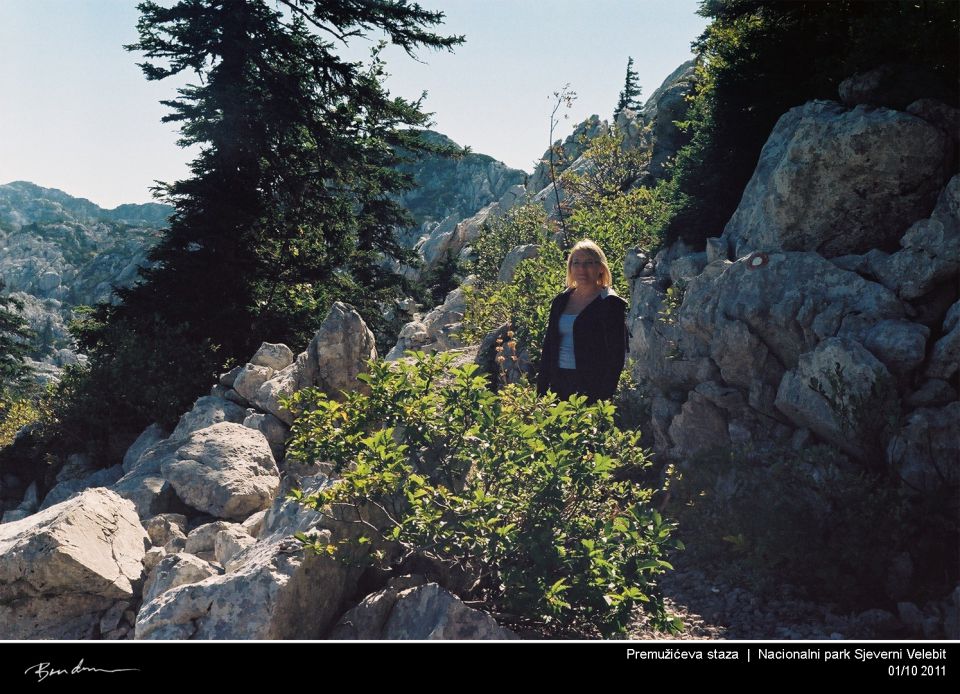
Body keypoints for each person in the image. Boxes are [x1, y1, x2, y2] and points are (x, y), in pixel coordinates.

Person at [536, 239, 627, 403]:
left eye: (588, 263)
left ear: (600, 268)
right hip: (558, 382)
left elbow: (616, 355)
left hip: (591, 385)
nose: (581, 269)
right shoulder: (561, 301)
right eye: (576, 263)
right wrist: (541, 390)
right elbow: (549, 345)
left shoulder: (610, 303)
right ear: (570, 267)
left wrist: (604, 396)